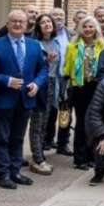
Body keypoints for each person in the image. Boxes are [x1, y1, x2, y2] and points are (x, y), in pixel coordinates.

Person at [0, 10, 48, 189]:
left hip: (26, 99)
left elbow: (43, 70)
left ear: (26, 25)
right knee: (2, 138)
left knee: (18, 138)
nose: (17, 24)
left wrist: (37, 84)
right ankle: (3, 174)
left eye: (21, 22)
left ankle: (15, 172)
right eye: (13, 21)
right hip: (3, 100)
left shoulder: (35, 45)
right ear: (7, 24)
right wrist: (6, 81)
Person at [62, 15, 104, 169]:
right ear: (80, 28)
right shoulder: (72, 46)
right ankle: (80, 158)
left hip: (97, 87)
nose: (88, 30)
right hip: (79, 87)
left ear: (96, 29)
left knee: (95, 122)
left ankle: (92, 156)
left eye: (91, 27)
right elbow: (67, 69)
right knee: (81, 122)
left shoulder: (103, 46)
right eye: (85, 27)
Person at [29, 13, 60, 176]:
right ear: (38, 27)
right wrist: (46, 60)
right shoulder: (34, 43)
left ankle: (39, 154)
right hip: (40, 84)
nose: (47, 24)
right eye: (43, 22)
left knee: (46, 122)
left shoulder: (56, 42)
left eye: (49, 21)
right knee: (37, 122)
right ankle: (37, 158)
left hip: (53, 83)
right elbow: (33, 65)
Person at [45, 8, 71, 153]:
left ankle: (63, 143)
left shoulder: (70, 34)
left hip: (66, 78)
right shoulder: (46, 35)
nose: (58, 17)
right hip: (52, 77)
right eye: (55, 15)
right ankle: (47, 140)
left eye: (61, 15)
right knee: (50, 110)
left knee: (65, 110)